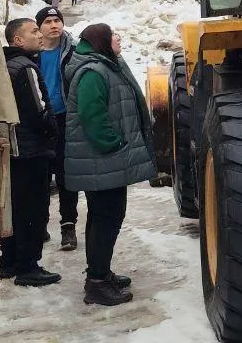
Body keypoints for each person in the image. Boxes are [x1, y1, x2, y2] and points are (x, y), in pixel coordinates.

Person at [63, 23, 154, 307]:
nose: (118, 37)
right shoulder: (93, 72)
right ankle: (97, 284)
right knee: (106, 219)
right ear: (101, 41)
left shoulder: (105, 65)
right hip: (102, 160)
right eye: (112, 34)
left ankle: (100, 273)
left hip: (104, 162)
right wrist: (114, 144)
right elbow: (93, 117)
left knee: (103, 218)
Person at [0, 18, 61, 287]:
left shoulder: (4, 65)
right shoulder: (26, 68)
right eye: (34, 31)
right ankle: (28, 267)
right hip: (31, 151)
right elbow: (38, 111)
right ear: (18, 41)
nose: (40, 35)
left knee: (13, 208)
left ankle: (9, 262)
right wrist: (52, 131)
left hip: (13, 151)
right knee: (33, 210)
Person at [36, 6, 79, 251]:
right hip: (40, 121)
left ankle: (68, 225)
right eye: (48, 22)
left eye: (57, 20)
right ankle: (40, 224)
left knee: (65, 176)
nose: (54, 25)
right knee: (41, 176)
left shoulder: (72, 51)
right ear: (39, 27)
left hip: (64, 118)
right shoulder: (32, 53)